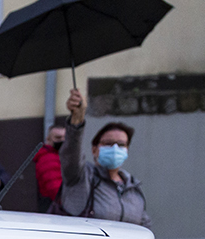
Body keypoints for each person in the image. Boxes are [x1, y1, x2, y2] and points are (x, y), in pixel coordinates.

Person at [57, 88, 151, 227]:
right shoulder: (81, 177)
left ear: (127, 149)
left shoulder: (133, 188)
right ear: (95, 149)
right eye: (108, 143)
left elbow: (144, 229)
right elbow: (71, 154)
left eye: (121, 145)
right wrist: (76, 121)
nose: (115, 149)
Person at [34, 122, 65, 211]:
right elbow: (55, 189)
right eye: (58, 138)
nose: (63, 140)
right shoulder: (48, 159)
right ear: (48, 140)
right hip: (55, 211)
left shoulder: (60, 156)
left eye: (65, 137)